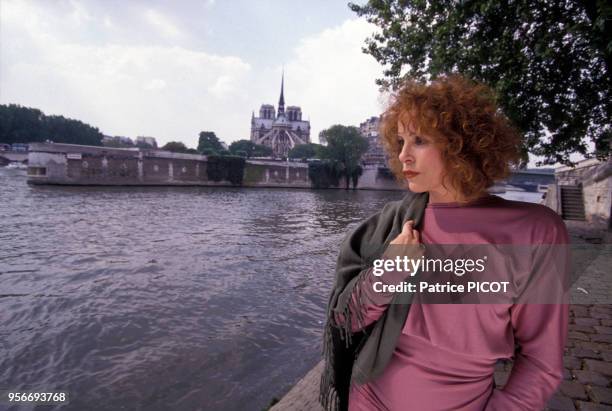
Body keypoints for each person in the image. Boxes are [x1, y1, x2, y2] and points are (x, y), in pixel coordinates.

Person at [320, 74, 570, 411]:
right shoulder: (392, 224)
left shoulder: (535, 231)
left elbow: (542, 362)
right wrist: (388, 271)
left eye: (419, 140)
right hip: (366, 399)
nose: (403, 155)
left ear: (461, 144)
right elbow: (346, 322)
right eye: (400, 142)